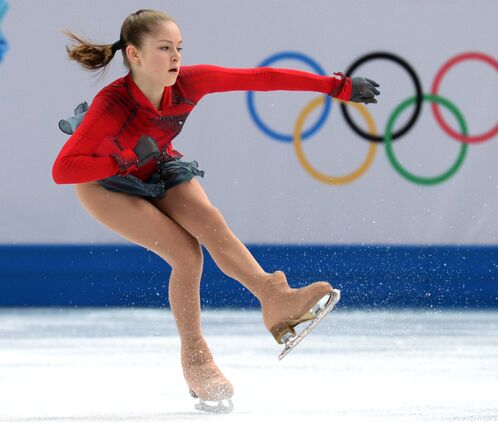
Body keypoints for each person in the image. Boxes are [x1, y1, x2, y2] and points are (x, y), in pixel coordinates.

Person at [52, 9, 380, 413]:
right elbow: (63, 169)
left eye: (179, 48)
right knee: (186, 256)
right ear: (134, 56)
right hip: (104, 183)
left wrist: (336, 87)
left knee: (211, 222)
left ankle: (275, 300)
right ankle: (196, 360)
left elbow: (260, 79)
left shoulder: (190, 82)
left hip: (156, 162)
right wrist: (120, 160)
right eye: (164, 48)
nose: (175, 57)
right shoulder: (111, 104)